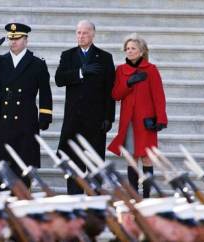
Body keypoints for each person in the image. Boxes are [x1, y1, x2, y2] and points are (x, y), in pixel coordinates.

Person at [0, 23, 52, 189]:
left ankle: (23, 202)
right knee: (3, 166)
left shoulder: (37, 63)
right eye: (10, 38)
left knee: (24, 166)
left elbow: (45, 92)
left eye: (17, 38)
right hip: (2, 117)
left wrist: (45, 115)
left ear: (26, 40)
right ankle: (4, 204)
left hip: (26, 118)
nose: (13, 42)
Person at [55, 20, 115, 195]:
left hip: (95, 121)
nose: (81, 36)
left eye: (85, 33)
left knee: (95, 164)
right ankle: (74, 201)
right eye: (78, 33)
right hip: (74, 120)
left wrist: (108, 118)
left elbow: (109, 90)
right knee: (73, 164)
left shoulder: (105, 57)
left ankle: (95, 204)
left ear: (93, 34)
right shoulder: (68, 55)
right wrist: (80, 72)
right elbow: (59, 79)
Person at [108, 33, 167, 198]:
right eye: (127, 48)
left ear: (141, 52)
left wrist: (161, 118)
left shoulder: (151, 69)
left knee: (147, 159)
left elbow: (159, 96)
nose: (129, 51)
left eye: (133, 48)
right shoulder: (120, 70)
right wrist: (128, 83)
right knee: (132, 159)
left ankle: (146, 196)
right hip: (129, 122)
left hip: (146, 121)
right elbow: (115, 94)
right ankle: (134, 196)